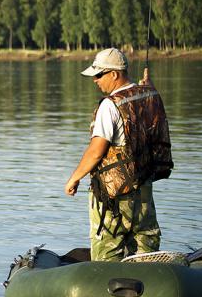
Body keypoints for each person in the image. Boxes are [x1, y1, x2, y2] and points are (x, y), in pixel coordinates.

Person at [64, 48, 173, 262]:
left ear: (114, 74)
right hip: (143, 193)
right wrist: (146, 86)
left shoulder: (109, 105)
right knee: (146, 255)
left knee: (106, 257)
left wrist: (74, 178)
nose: (95, 80)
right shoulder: (150, 95)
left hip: (113, 199)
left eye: (98, 75)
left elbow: (96, 152)